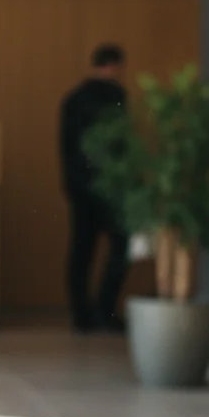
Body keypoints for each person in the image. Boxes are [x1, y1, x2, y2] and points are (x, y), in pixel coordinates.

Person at [60, 44, 129, 333]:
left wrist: (72, 184)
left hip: (81, 187)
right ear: (115, 66)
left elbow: (65, 147)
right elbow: (122, 145)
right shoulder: (115, 97)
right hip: (110, 186)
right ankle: (105, 309)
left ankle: (82, 315)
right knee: (119, 247)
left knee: (81, 250)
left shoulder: (74, 99)